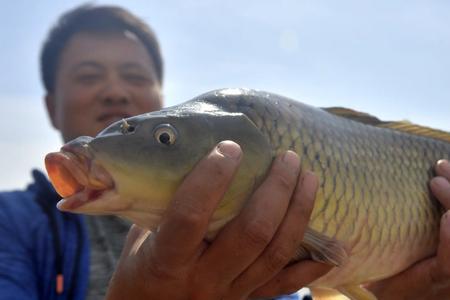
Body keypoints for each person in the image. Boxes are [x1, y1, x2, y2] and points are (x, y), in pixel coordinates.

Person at [0, 4, 449, 300]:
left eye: (135, 77)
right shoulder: (13, 225)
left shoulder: (252, 218)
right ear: (48, 104)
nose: (114, 92)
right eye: (88, 76)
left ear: (162, 95)